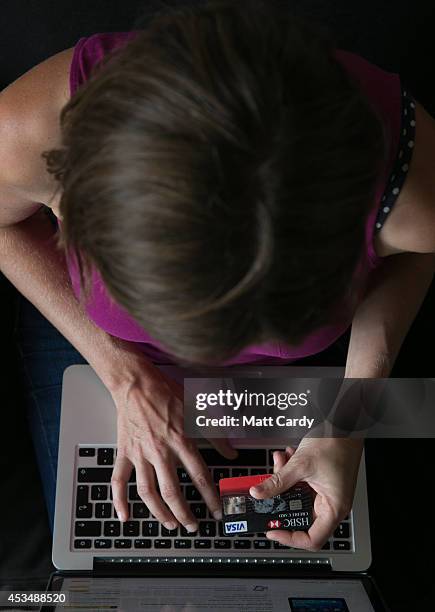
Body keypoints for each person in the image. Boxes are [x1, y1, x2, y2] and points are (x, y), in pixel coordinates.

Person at [1, 0, 434, 551]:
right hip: (98, 346)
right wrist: (123, 373)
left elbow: (416, 255)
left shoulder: (414, 185)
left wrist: (347, 419)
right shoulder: (34, 131)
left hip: (305, 377)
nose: (206, 366)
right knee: (104, 567)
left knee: (295, 551)